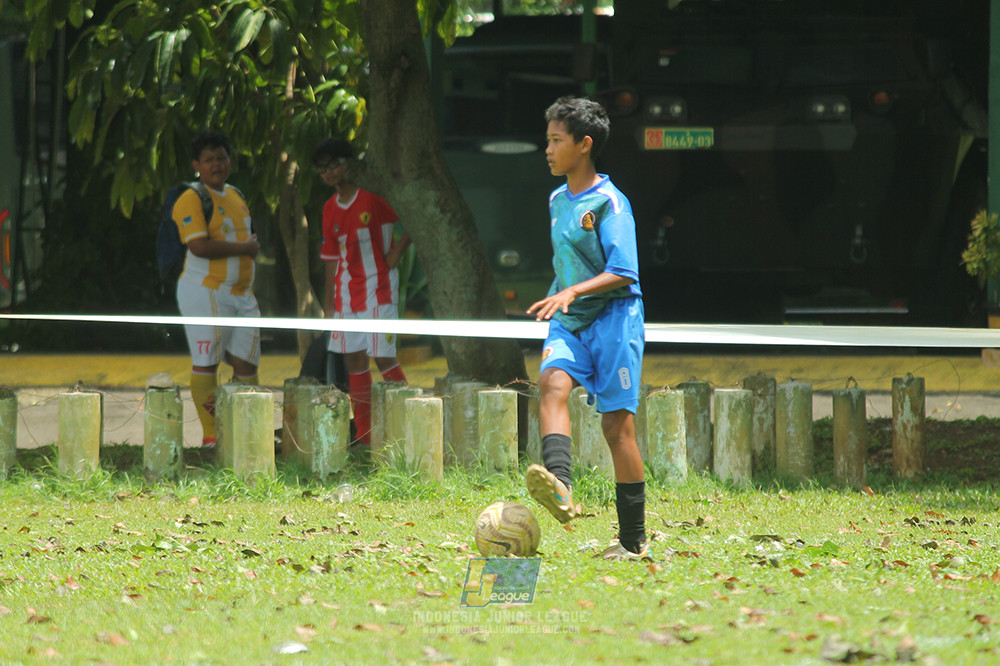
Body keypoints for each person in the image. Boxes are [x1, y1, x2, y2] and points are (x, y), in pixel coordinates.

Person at [525, 97, 649, 561]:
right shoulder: (557, 199)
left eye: (557, 140)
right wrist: (562, 293)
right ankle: (560, 483)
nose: (548, 149)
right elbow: (568, 260)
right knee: (551, 383)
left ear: (584, 145)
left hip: (616, 321)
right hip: (571, 321)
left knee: (618, 429)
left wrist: (573, 292)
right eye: (548, 139)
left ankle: (633, 541)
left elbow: (625, 270)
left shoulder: (611, 202)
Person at [314, 138, 411, 445]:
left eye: (334, 164)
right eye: (322, 168)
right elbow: (331, 261)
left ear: (349, 163)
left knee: (384, 358)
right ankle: (366, 436)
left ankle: (409, 425)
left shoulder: (373, 197)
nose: (329, 172)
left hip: (379, 289)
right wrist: (329, 305)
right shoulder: (329, 208)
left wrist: (396, 252)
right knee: (354, 361)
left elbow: (412, 216)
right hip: (345, 293)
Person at [172, 129, 261, 448]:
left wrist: (247, 250)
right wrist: (244, 249)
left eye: (221, 157)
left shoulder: (236, 195)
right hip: (204, 290)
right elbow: (197, 247)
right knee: (206, 361)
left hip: (242, 295)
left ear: (230, 161)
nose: (216, 164)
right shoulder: (191, 198)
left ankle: (248, 435)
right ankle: (212, 437)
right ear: (197, 164)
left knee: (246, 364)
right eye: (209, 159)